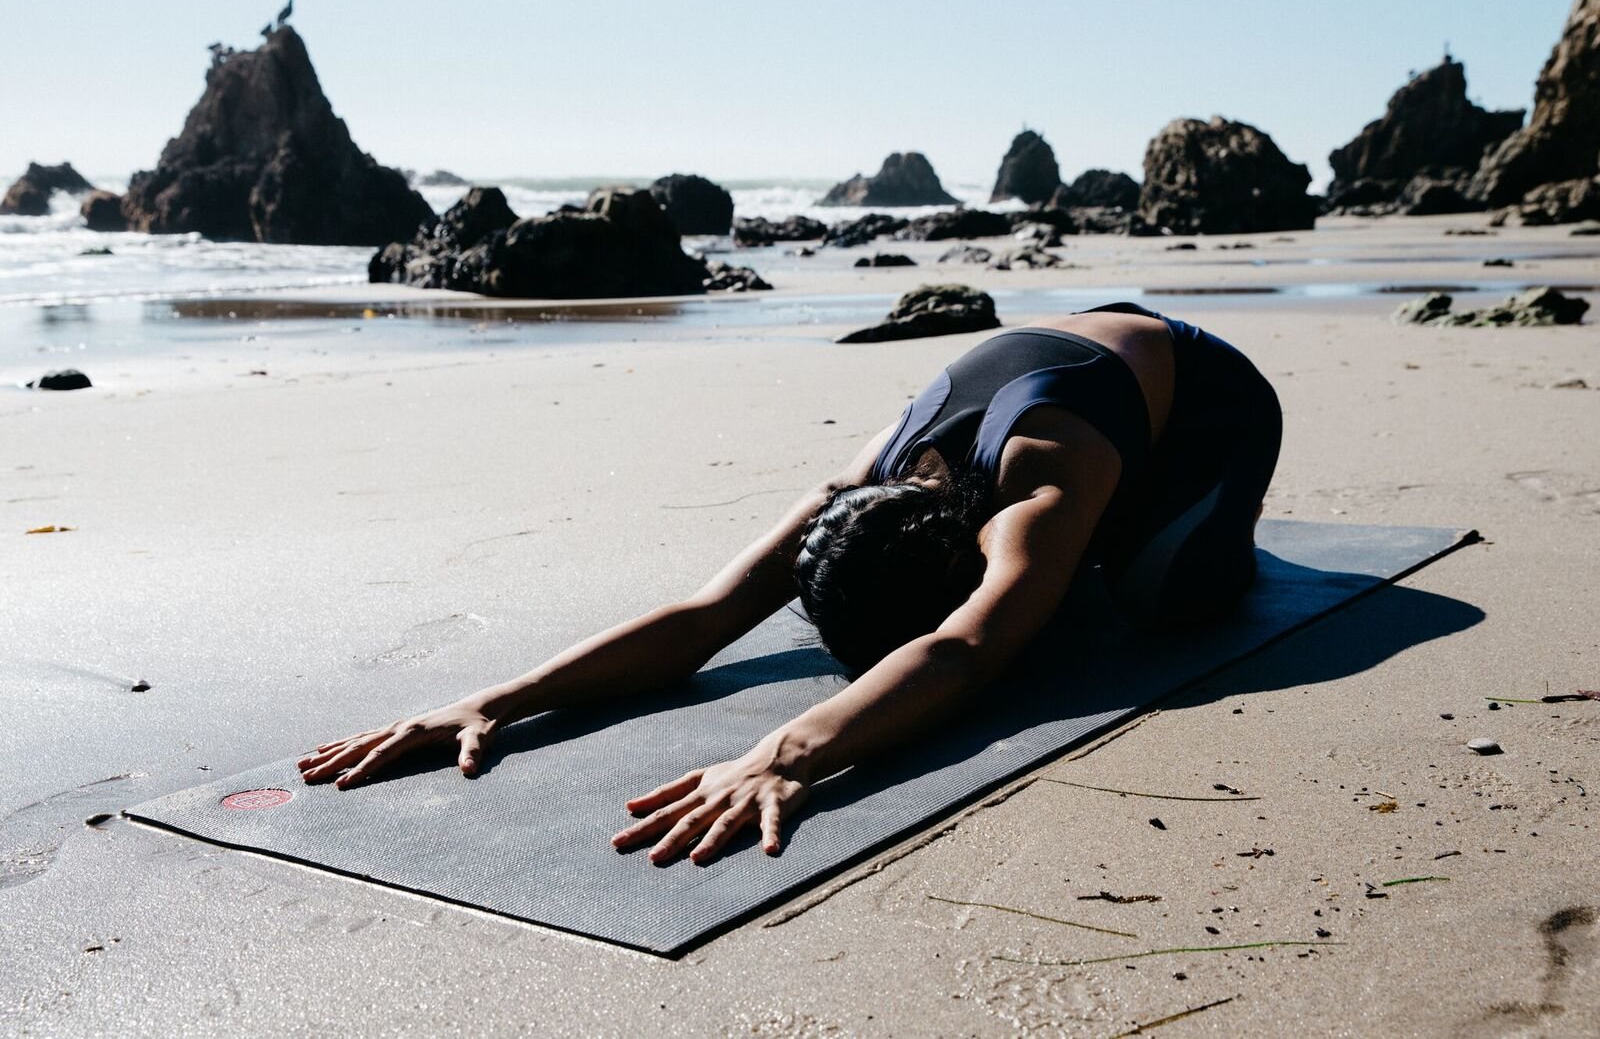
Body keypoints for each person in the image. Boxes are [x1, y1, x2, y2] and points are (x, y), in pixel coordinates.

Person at [298, 302, 1281, 865]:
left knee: (1149, 606)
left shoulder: (1042, 481)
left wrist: (786, 752)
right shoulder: (853, 487)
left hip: (1211, 406)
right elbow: (703, 616)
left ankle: (1164, 532)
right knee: (1050, 597)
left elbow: (962, 648)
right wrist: (498, 699)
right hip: (1073, 370)